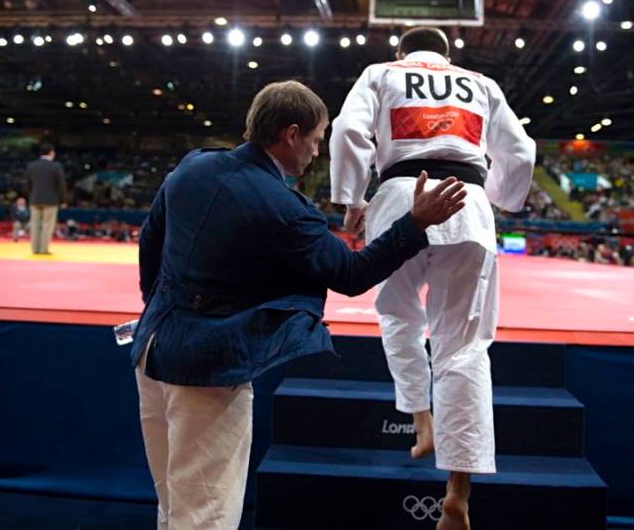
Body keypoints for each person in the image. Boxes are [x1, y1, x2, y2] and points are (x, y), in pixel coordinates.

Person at [131, 80, 467, 530]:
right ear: (291, 134)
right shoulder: (285, 208)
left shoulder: (194, 166)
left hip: (152, 348)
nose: (315, 152)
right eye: (315, 140)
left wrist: (157, 307)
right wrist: (414, 222)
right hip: (208, 369)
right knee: (204, 515)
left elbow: (151, 237)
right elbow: (352, 274)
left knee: (173, 503)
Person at [329, 27, 536, 530]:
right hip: (468, 204)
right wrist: (504, 198)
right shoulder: (480, 83)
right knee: (464, 346)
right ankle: (458, 493)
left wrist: (351, 199)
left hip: (401, 196)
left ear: (401, 53)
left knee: (398, 315)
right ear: (449, 56)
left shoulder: (382, 73)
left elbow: (347, 132)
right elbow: (521, 151)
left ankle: (421, 416)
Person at [25, 142, 67, 255]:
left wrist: (31, 196)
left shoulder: (31, 165)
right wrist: (63, 200)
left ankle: (35, 249)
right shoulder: (56, 166)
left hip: (35, 199)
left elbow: (27, 184)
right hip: (51, 200)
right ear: (51, 153)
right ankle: (43, 249)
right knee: (47, 225)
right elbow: (61, 184)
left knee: (35, 224)